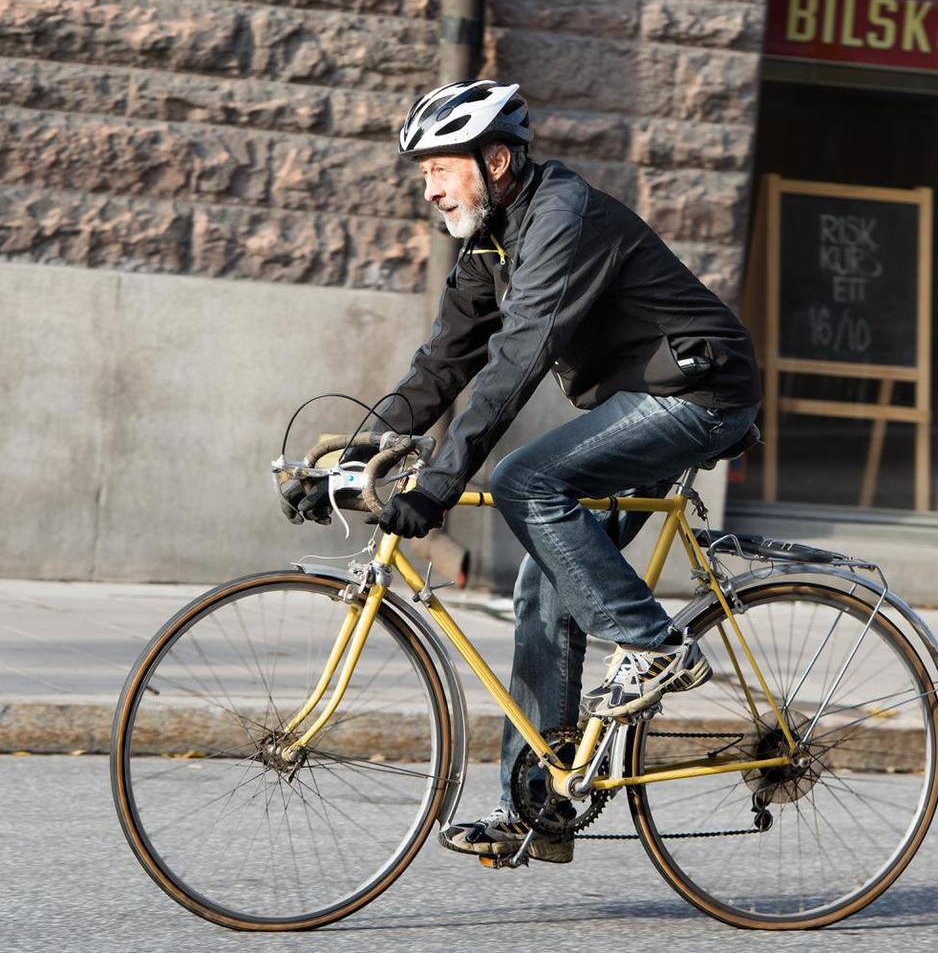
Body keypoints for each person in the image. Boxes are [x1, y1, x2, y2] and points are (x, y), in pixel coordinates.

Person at [283, 78, 761, 865]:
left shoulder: (562, 220)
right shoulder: (492, 238)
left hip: (699, 393)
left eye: (440, 167)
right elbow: (443, 362)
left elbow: (519, 358)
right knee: (547, 582)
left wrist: (440, 481)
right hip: (640, 399)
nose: (429, 188)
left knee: (524, 482)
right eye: (424, 173)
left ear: (496, 158)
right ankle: (537, 810)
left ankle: (655, 645)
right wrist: (354, 454)